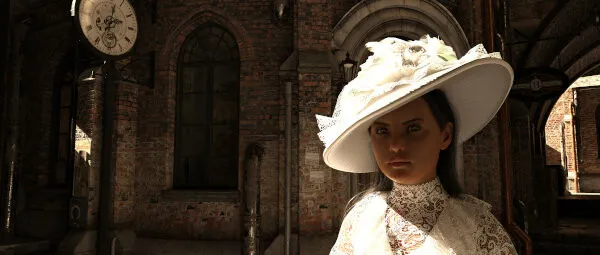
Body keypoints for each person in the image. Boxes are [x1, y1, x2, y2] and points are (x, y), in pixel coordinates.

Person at [315, 36, 517, 254]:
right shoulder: (360, 219)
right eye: (382, 131)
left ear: (445, 135)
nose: (395, 145)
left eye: (413, 129)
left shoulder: (478, 225)